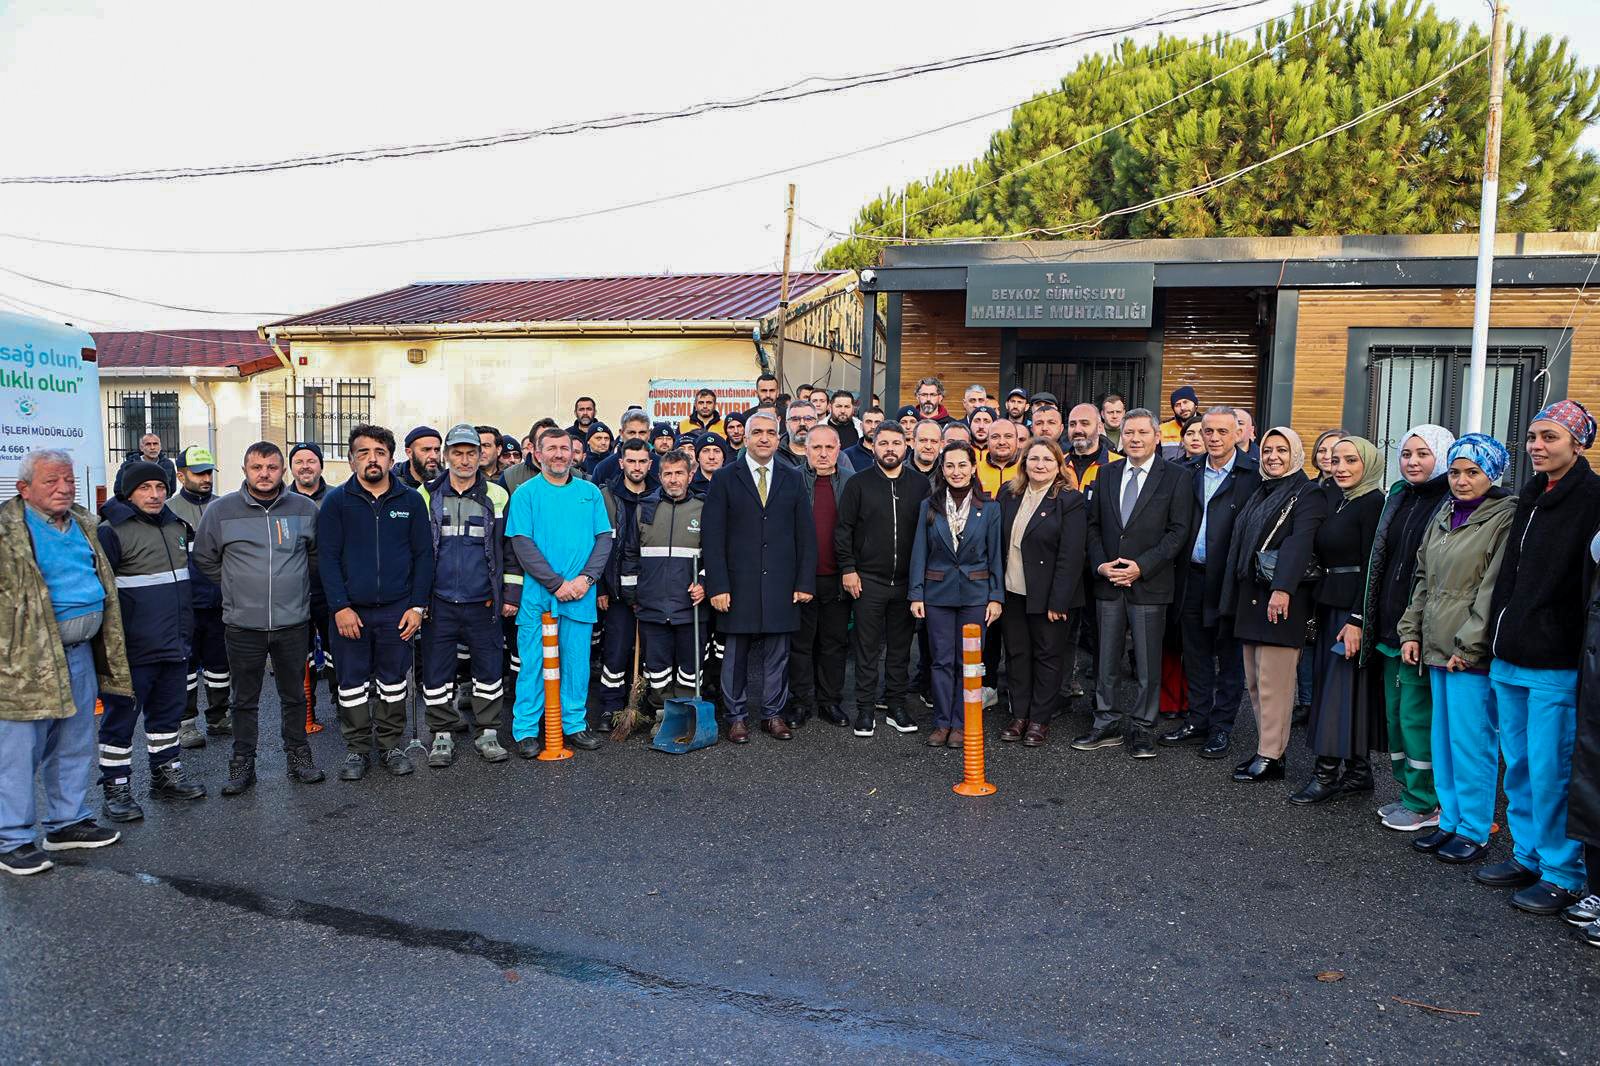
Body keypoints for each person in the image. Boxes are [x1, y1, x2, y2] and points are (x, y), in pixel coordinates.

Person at [1479, 401, 1600, 914]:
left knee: (1553, 768)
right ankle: (1528, 853)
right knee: (1522, 766)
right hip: (1511, 653)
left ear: (1577, 443)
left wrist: (1567, 643)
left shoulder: (1592, 498)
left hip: (1554, 659)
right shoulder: (1530, 496)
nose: (1537, 446)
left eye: (1549, 437)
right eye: (1531, 437)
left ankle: (1562, 871)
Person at [0, 450, 130, 875]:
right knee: (18, 751)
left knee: (74, 742)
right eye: (52, 481)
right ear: (24, 488)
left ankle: (66, 822)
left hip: (80, 654)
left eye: (68, 480)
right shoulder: (7, 531)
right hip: (24, 662)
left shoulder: (82, 523)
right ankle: (13, 838)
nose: (64, 488)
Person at [1397, 434, 1515, 863]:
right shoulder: (1445, 513)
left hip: (1468, 654)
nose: (1461, 481)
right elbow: (1423, 578)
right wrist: (1411, 631)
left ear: (1493, 473)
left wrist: (1470, 645)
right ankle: (1449, 820)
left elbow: (1492, 589)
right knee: (1443, 740)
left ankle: (1475, 827)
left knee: (1472, 743)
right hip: (1435, 645)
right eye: (1456, 472)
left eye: (1473, 472)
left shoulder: (1504, 517)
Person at [192, 442, 325, 796]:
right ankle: (242, 762)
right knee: (243, 699)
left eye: (271, 467)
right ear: (245, 470)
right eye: (256, 467)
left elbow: (315, 557)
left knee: (294, 694)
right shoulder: (221, 512)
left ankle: (298, 756)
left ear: (283, 470)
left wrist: (294, 588)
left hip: (293, 621)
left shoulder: (304, 508)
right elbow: (205, 559)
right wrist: (235, 585)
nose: (264, 474)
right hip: (243, 624)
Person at [1075, 408, 1194, 758]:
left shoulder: (1176, 477)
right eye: (1129, 433)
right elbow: (1093, 525)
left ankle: (1143, 727)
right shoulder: (1108, 473)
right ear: (1120, 437)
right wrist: (1101, 565)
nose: (1135, 439)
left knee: (1146, 662)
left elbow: (1178, 532)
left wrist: (1141, 567)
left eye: (1143, 433)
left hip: (1149, 583)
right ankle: (1106, 722)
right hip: (1109, 581)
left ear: (1157, 437)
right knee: (1105, 659)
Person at [317, 425, 433, 781]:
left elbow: (424, 556)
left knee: (393, 681)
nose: (372, 459)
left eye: (379, 452)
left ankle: (389, 745)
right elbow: (328, 558)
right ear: (352, 460)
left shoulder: (410, 500)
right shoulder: (336, 501)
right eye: (364, 452)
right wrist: (340, 606)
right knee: (350, 684)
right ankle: (356, 749)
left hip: (397, 610)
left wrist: (417, 607)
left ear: (391, 459)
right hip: (351, 611)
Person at [94, 461, 207, 821]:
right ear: (129, 493)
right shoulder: (112, 532)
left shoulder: (177, 526)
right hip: (132, 648)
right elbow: (100, 592)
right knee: (120, 721)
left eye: (160, 487)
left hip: (175, 643)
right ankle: (116, 785)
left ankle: (165, 773)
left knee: (167, 714)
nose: (155, 495)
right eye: (145, 489)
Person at [1219, 428, 1328, 782]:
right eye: (1267, 450)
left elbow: (1300, 542)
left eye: (1282, 450)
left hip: (1281, 601)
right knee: (1255, 681)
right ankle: (1268, 749)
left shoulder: (1306, 492)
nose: (1273, 456)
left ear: (1296, 453)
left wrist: (1283, 589)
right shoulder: (1262, 489)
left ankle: (1271, 756)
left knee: (1274, 684)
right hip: (1252, 597)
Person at [702, 410, 817, 743]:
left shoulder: (793, 478)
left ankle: (772, 714)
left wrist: (803, 582)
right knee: (734, 655)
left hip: (781, 583)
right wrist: (718, 585)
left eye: (770, 432)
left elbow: (805, 535)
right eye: (758, 432)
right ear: (746, 438)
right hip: (737, 585)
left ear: (778, 438)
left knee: (778, 655)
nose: (764, 438)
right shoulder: (724, 478)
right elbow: (713, 536)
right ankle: (736, 716)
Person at [1363, 424, 1456, 831]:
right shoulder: (1399, 495)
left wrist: (1415, 628)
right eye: (1406, 454)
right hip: (1388, 627)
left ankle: (1426, 802)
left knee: (1418, 719)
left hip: (1418, 631)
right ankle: (1408, 793)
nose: (1413, 461)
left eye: (1423, 453)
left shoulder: (1452, 500)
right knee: (1397, 718)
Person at [506, 427, 614, 756]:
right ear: (537, 454)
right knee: (534, 664)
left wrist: (586, 580)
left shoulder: (590, 492)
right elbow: (522, 543)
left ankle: (574, 725)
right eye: (551, 448)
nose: (558, 454)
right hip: (538, 597)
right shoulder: (526, 494)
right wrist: (556, 583)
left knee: (576, 664)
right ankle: (526, 729)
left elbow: (604, 539)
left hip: (580, 595)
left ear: (574, 453)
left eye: (564, 448)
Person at [1291, 436, 1386, 806]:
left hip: (1350, 612)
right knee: (1342, 689)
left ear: (1368, 464)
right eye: (1335, 459)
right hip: (1331, 605)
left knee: (1336, 691)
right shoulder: (1343, 500)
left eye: (1351, 460)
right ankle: (1359, 772)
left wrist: (1358, 619)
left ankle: (1326, 773)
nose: (1341, 466)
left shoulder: (1373, 503)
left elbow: (1373, 567)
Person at [1160, 407, 1260, 760]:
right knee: (1196, 654)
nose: (1214, 438)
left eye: (1222, 431)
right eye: (1208, 431)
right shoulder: (1186, 473)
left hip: (1230, 580)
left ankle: (1221, 728)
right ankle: (1198, 720)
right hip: (1191, 576)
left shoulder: (1253, 475)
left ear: (1238, 434)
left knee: (1229, 658)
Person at [417, 424, 513, 768]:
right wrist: (418, 600)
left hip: (483, 600)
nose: (464, 459)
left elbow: (508, 549)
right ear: (446, 456)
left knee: (488, 668)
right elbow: (416, 551)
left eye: (471, 452)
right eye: (457, 453)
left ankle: (488, 732)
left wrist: (508, 593)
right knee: (438, 670)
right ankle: (441, 735)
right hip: (439, 601)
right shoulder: (425, 495)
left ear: (481, 455)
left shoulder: (497, 496)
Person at [909, 441, 1003, 749]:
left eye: (963, 465)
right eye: (949, 465)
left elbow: (995, 556)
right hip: (937, 594)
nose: (956, 471)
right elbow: (919, 553)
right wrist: (917, 594)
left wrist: (995, 596)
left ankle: (963, 722)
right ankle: (942, 722)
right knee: (941, 661)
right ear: (942, 469)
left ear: (974, 468)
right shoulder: (929, 506)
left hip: (976, 595)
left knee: (970, 664)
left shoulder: (989, 509)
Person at [997, 437, 1086, 747]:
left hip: (1050, 597)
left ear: (1058, 465)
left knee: (1048, 657)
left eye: (1047, 460)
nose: (1040, 465)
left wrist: (1059, 600)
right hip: (1012, 590)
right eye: (1034, 459)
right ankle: (1019, 715)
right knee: (1017, 655)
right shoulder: (1008, 494)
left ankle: (1039, 720)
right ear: (1024, 463)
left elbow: (1071, 555)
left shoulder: (1070, 500)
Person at [618, 449, 708, 711]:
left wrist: (705, 584)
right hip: (652, 606)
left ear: (690, 475)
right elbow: (630, 554)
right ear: (659, 476)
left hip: (690, 608)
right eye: (667, 474)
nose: (673, 479)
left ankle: (687, 714)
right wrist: (632, 595)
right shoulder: (644, 508)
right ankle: (662, 714)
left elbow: (716, 556)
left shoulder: (703, 509)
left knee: (690, 669)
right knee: (657, 669)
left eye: (679, 473)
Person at [789, 424, 854, 729]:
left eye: (829, 448)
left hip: (838, 577)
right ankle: (801, 701)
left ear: (838, 449)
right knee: (801, 644)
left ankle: (830, 701)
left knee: (833, 642)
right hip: (801, 577)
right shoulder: (792, 481)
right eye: (817, 448)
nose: (824, 454)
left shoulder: (852, 483)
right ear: (806, 449)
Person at [168, 446, 232, 750]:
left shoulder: (225, 507)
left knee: (220, 665)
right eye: (199, 473)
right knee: (187, 667)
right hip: (185, 604)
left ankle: (219, 717)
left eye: (209, 472)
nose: (206, 478)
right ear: (181, 475)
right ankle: (186, 724)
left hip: (221, 602)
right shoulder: (168, 511)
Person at [596, 440, 658, 731]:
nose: (636, 467)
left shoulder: (659, 495)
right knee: (616, 649)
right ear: (620, 462)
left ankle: (643, 704)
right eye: (631, 461)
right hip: (616, 589)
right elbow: (593, 546)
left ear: (650, 464)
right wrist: (601, 588)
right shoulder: (604, 497)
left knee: (648, 650)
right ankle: (611, 706)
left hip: (652, 590)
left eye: (642, 461)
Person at [1294, 427, 1349, 723]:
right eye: (1324, 450)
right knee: (1308, 637)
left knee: (1330, 639)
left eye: (1336, 450)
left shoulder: (1347, 490)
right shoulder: (1308, 487)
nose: (1328, 456)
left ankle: (1325, 701)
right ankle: (1306, 700)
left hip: (1335, 575)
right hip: (1308, 574)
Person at [286, 442, 333, 733]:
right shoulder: (280, 501)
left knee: (336, 652)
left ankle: (344, 707)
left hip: (330, 590)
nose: (305, 466)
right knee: (298, 658)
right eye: (299, 461)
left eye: (311, 460)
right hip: (292, 592)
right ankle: (306, 714)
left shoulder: (337, 498)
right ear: (291, 467)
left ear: (321, 466)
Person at [1066, 404, 1121, 496]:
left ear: (1100, 427)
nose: (1077, 430)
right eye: (1072, 424)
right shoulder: (1057, 464)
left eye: (1084, 423)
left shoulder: (1119, 464)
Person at [589, 410, 654, 484]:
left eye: (642, 433)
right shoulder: (604, 468)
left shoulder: (659, 465)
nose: (637, 437)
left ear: (649, 434)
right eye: (631, 433)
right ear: (621, 433)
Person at [115, 431, 177, 497]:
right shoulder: (128, 465)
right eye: (148, 444)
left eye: (155, 444)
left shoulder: (168, 464)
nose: (152, 447)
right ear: (141, 448)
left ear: (160, 447)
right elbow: (118, 490)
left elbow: (171, 489)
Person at [977, 417, 1022, 497]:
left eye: (1008, 436)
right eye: (995, 437)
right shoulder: (976, 470)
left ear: (1017, 441)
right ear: (987, 441)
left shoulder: (1026, 468)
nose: (1002, 442)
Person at [777, 400, 817, 468]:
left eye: (808, 419)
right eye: (795, 419)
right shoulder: (774, 456)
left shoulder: (832, 454)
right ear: (786, 424)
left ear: (816, 423)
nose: (802, 424)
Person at [1160, 386, 1198, 456]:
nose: (1182, 408)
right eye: (1177, 405)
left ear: (1195, 404)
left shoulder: (1206, 426)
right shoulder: (1162, 429)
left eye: (1185, 402)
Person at [842, 407, 881, 474]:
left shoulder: (890, 453)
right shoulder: (847, 455)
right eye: (868, 422)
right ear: (861, 426)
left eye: (877, 422)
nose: (873, 426)